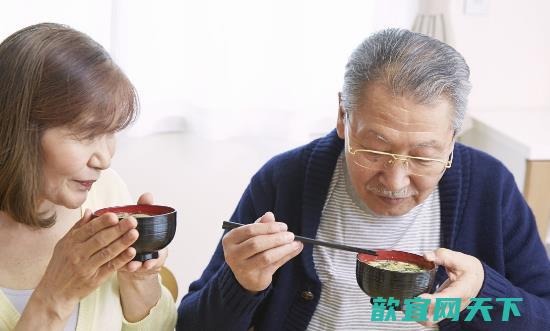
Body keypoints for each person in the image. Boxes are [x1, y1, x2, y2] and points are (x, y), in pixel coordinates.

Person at [177, 28, 550, 330]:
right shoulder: (284, 180)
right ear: (343, 116)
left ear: (453, 138)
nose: (396, 181)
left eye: (422, 156)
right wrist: (242, 283)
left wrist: (479, 295)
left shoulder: (490, 187)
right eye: (375, 150)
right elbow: (192, 324)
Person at [0, 23, 176, 330]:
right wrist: (53, 298)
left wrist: (138, 279)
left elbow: (160, 327)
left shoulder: (104, 192)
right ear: (19, 129)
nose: (104, 159)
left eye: (111, 133)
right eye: (86, 134)